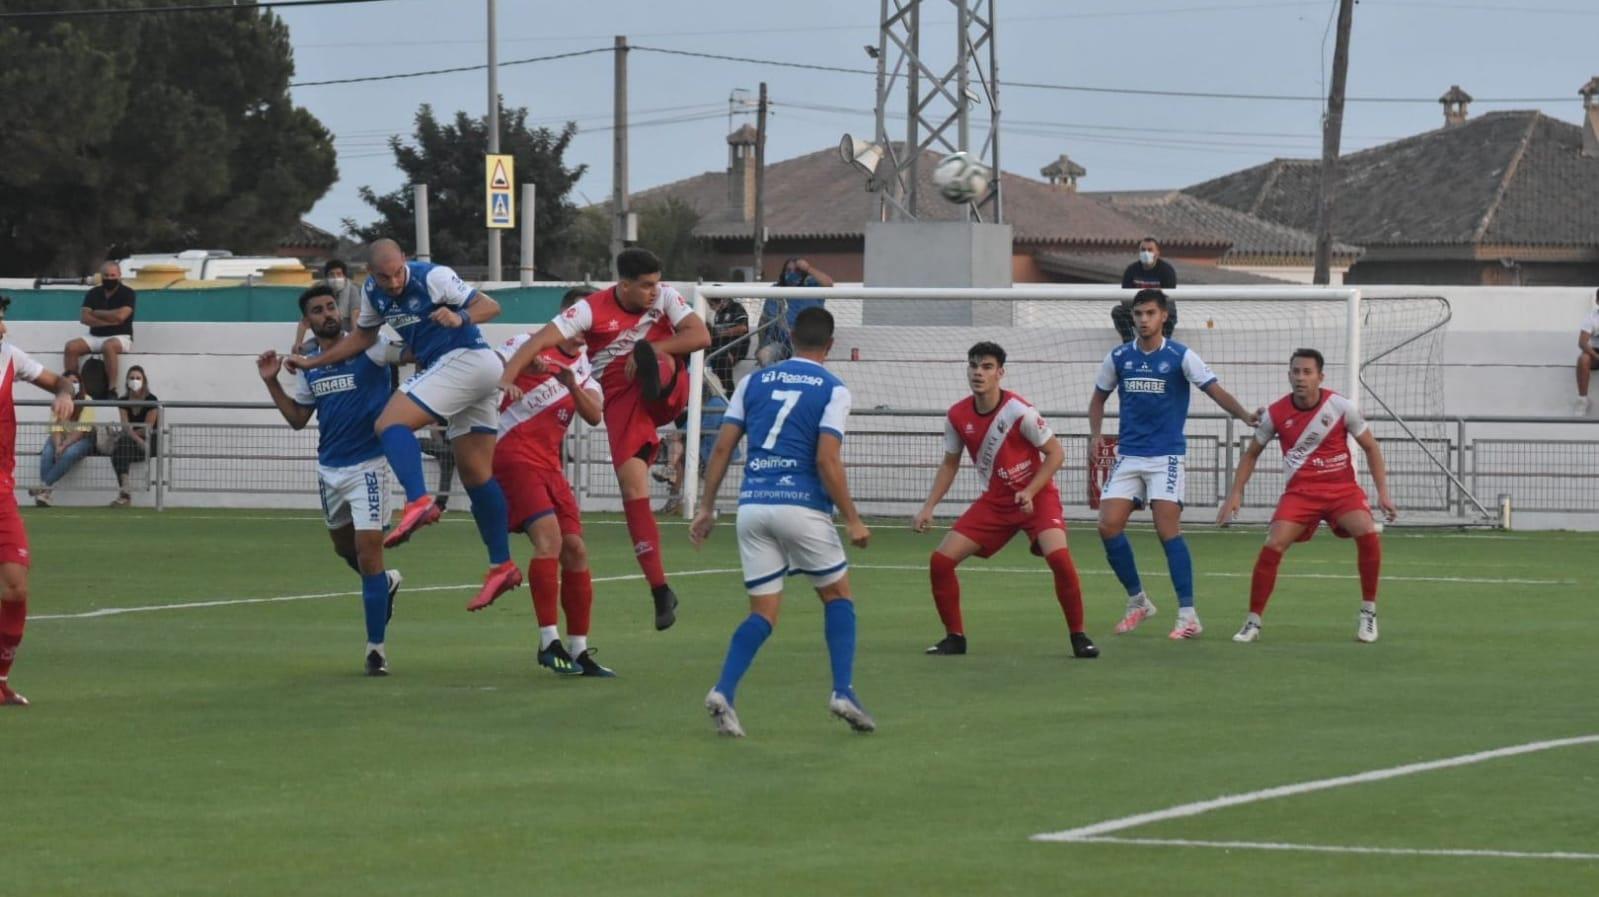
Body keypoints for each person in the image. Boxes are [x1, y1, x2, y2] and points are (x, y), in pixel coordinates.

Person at [285, 239, 519, 611]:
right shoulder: (374, 295)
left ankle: (419, 501)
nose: (393, 282)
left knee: (389, 424)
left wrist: (462, 317)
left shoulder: (434, 277)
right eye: (384, 275)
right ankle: (501, 565)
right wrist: (312, 363)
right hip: (472, 376)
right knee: (476, 476)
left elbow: (491, 305)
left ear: (406, 261)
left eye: (397, 273)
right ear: (370, 273)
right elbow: (363, 338)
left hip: (467, 359)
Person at [499, 248, 712, 632]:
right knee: (633, 489)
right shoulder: (590, 310)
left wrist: (654, 349)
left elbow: (700, 335)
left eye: (655, 284)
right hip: (621, 401)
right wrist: (506, 379)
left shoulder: (665, 296)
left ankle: (653, 366)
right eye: (644, 286)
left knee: (659, 361)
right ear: (624, 285)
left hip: (666, 384)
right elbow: (535, 343)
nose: (653, 292)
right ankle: (660, 590)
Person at [690, 307, 873, 737]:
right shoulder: (833, 388)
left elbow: (721, 449)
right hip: (801, 506)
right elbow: (826, 458)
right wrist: (853, 519)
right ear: (830, 345)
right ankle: (842, 689)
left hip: (752, 507)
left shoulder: (754, 381)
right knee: (838, 597)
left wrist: (706, 506)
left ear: (789, 337)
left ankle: (724, 690)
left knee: (763, 613)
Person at [912, 342, 1099, 659]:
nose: (977, 372)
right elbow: (950, 463)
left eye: (986, 367)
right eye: (973, 366)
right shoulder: (957, 415)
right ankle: (955, 638)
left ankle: (1079, 636)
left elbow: (1056, 454)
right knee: (940, 562)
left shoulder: (1019, 411)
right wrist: (928, 506)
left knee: (1060, 559)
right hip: (996, 503)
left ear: (1000, 373)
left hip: (1037, 498)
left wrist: (1029, 491)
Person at [1089, 289, 1258, 640]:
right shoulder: (1119, 357)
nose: (1143, 320)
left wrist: (1244, 415)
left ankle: (1188, 614)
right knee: (1107, 525)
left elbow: (1215, 390)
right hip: (1129, 455)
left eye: (1150, 313)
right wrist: (1095, 435)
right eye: (1138, 314)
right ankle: (1138, 601)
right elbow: (1098, 398)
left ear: (1164, 316)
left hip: (1165, 455)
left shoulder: (1181, 356)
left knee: (1166, 529)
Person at [257, 285, 406, 674]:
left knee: (369, 553)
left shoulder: (371, 347)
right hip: (330, 469)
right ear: (307, 321)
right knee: (345, 551)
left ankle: (376, 650)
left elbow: (409, 353)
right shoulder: (308, 361)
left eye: (330, 307)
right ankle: (385, 583)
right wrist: (272, 381)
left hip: (369, 465)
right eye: (318, 310)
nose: (328, 313)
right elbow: (298, 420)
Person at [1217, 348, 1397, 643]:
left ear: (1320, 376)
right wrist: (1235, 494)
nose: (1300, 378)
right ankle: (1253, 621)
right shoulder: (1275, 413)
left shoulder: (1340, 406)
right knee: (1273, 543)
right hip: (1301, 493)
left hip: (1342, 491)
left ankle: (1368, 612)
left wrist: (1383, 494)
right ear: (1289, 375)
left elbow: (1371, 447)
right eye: (1295, 372)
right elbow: (1250, 455)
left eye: (1307, 372)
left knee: (1366, 531)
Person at [474, 295, 612, 678]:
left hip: (550, 464)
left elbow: (595, 415)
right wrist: (514, 377)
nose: (585, 336)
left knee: (576, 550)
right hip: (513, 454)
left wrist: (570, 382)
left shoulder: (583, 366)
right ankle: (547, 642)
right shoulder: (526, 344)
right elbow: (488, 372)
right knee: (549, 540)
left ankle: (579, 650)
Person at [0, 294, 79, 705]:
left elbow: (61, 380)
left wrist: (65, 394)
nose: (3, 325)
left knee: (15, 587)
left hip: (0, 493)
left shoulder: (10, 355)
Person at [63, 260, 136, 387]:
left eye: (112, 275)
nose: (109, 278)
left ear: (119, 275)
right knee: (71, 347)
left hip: (120, 336)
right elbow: (85, 318)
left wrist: (96, 313)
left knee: (108, 346)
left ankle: (112, 388)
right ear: (101, 276)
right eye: (106, 275)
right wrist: (109, 321)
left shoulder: (128, 293)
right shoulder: (93, 293)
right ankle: (72, 387)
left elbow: (121, 316)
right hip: (95, 336)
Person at [28, 371, 93, 507]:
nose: (72, 385)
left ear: (80, 384)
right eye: (68, 382)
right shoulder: (59, 400)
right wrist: (58, 445)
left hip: (82, 440)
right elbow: (55, 427)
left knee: (69, 453)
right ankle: (44, 495)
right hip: (61, 437)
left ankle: (43, 487)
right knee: (47, 453)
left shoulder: (87, 400)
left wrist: (64, 446)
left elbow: (81, 430)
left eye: (75, 382)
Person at [756, 258, 834, 366]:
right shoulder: (776, 290)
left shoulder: (812, 286)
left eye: (797, 271)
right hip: (783, 342)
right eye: (788, 271)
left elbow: (829, 283)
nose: (792, 274)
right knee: (764, 355)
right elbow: (769, 319)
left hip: (807, 343)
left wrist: (808, 268)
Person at [107, 365, 159, 508]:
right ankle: (125, 490)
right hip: (133, 442)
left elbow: (147, 428)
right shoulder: (123, 400)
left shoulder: (151, 400)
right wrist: (133, 437)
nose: (135, 381)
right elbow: (125, 425)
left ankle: (125, 495)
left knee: (120, 447)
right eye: (132, 378)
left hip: (150, 442)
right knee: (119, 449)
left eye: (138, 378)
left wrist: (130, 434)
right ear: (127, 381)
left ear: (144, 381)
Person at [1114, 238, 1177, 343]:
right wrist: (1140, 308)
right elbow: (1125, 297)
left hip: (1158, 311)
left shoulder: (1167, 271)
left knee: (1170, 312)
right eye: (1143, 250)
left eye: (1150, 250)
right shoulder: (1131, 270)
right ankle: (1130, 344)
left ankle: (1164, 345)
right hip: (1137, 310)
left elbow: (1168, 298)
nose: (1146, 253)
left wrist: (1151, 309)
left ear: (1157, 253)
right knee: (1117, 311)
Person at [294, 259, 363, 352]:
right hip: (323, 339)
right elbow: (304, 320)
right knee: (303, 350)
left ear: (345, 276)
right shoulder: (317, 290)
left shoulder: (352, 290)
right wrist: (298, 342)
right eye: (332, 274)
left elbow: (355, 315)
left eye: (339, 274)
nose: (335, 278)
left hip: (346, 337)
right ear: (326, 277)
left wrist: (356, 340)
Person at [707, 294, 750, 395]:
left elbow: (743, 328)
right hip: (718, 346)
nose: (711, 307)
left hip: (736, 346)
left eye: (712, 304)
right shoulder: (714, 313)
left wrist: (719, 333)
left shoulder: (736, 308)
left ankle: (729, 395)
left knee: (722, 360)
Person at [1575, 288, 1599, 417]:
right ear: (1597, 301)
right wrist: (1596, 356)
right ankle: (1582, 400)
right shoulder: (1591, 317)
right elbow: (1582, 342)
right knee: (1583, 359)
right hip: (1595, 353)